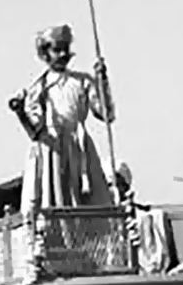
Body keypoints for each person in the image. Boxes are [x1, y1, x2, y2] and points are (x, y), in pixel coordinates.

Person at [8, 24, 115, 215]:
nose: (63, 53)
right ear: (46, 53)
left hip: (79, 147)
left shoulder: (83, 81)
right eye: (57, 49)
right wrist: (21, 112)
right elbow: (35, 131)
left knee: (90, 200)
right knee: (54, 198)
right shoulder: (39, 87)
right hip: (52, 148)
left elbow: (107, 115)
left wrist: (102, 82)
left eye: (65, 48)